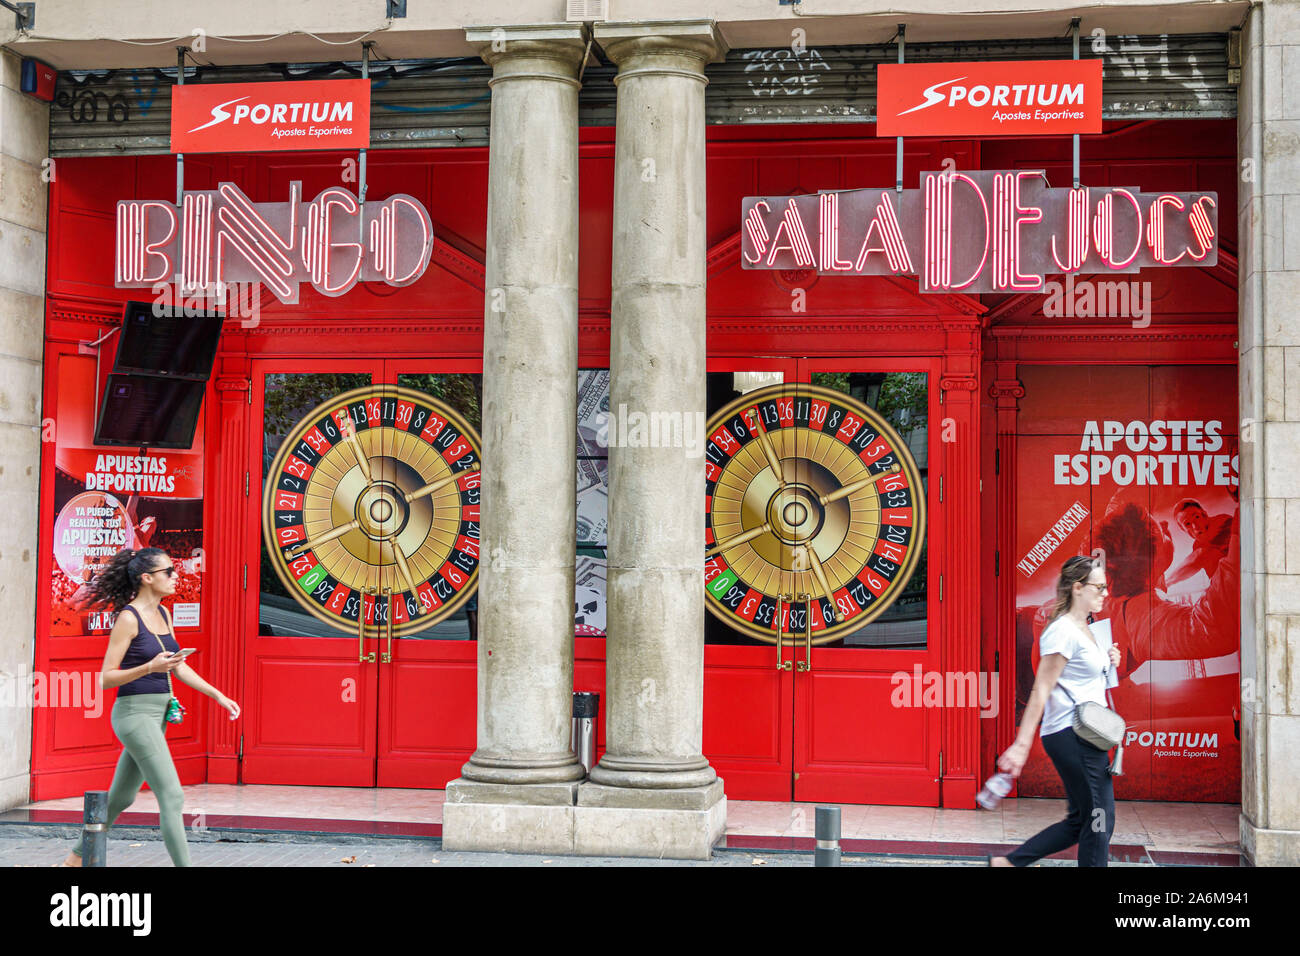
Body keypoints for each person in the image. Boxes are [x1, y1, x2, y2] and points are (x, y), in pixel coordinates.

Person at [60, 547, 239, 867]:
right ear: (147, 578)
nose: (175, 576)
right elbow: (106, 678)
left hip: (157, 716)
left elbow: (177, 667)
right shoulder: (129, 618)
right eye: (168, 572)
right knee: (172, 796)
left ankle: (75, 859)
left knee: (120, 798)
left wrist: (218, 696)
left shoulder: (164, 614)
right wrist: (148, 668)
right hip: (133, 715)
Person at [991, 555, 1122, 867]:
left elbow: (1091, 681)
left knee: (1083, 821)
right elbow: (1041, 689)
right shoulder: (1062, 630)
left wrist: (1110, 661)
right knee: (1099, 820)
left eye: (1106, 587)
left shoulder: (1089, 628)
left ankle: (1008, 864)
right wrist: (1022, 745)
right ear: (1078, 588)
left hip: (1089, 733)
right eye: (1099, 587)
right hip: (1071, 734)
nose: (1105, 593)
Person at [1164, 498, 1234, 588]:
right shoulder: (1197, 545)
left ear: (1204, 515)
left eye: (1197, 517)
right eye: (1188, 524)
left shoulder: (1224, 522)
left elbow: (1201, 556)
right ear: (1183, 530)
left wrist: (1166, 583)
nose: (1195, 526)